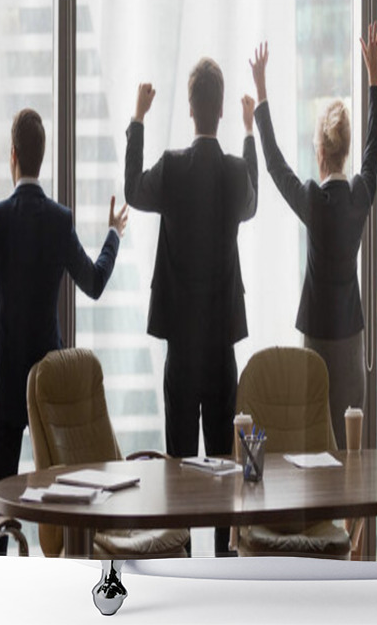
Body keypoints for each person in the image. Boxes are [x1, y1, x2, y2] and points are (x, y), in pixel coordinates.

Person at [0, 108, 127, 554]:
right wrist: (113, 233)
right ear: (41, 156)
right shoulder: (60, 220)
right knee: (63, 505)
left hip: (5, 387)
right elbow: (94, 283)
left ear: (13, 156)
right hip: (50, 390)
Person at [124, 58, 258, 556]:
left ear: (189, 108)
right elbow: (253, 203)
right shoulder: (235, 171)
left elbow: (134, 189)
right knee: (225, 465)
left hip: (181, 347)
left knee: (178, 464)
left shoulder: (174, 168)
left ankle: (179, 556)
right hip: (221, 344)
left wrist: (137, 119)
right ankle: (223, 557)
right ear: (220, 109)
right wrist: (248, 136)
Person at [249, 22, 377, 449]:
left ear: (322, 153)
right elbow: (374, 148)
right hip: (351, 333)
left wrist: (261, 95)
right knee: (349, 444)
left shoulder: (312, 199)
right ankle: (352, 519)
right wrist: (374, 76)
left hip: (316, 334)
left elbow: (274, 165)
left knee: (315, 438)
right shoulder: (360, 195)